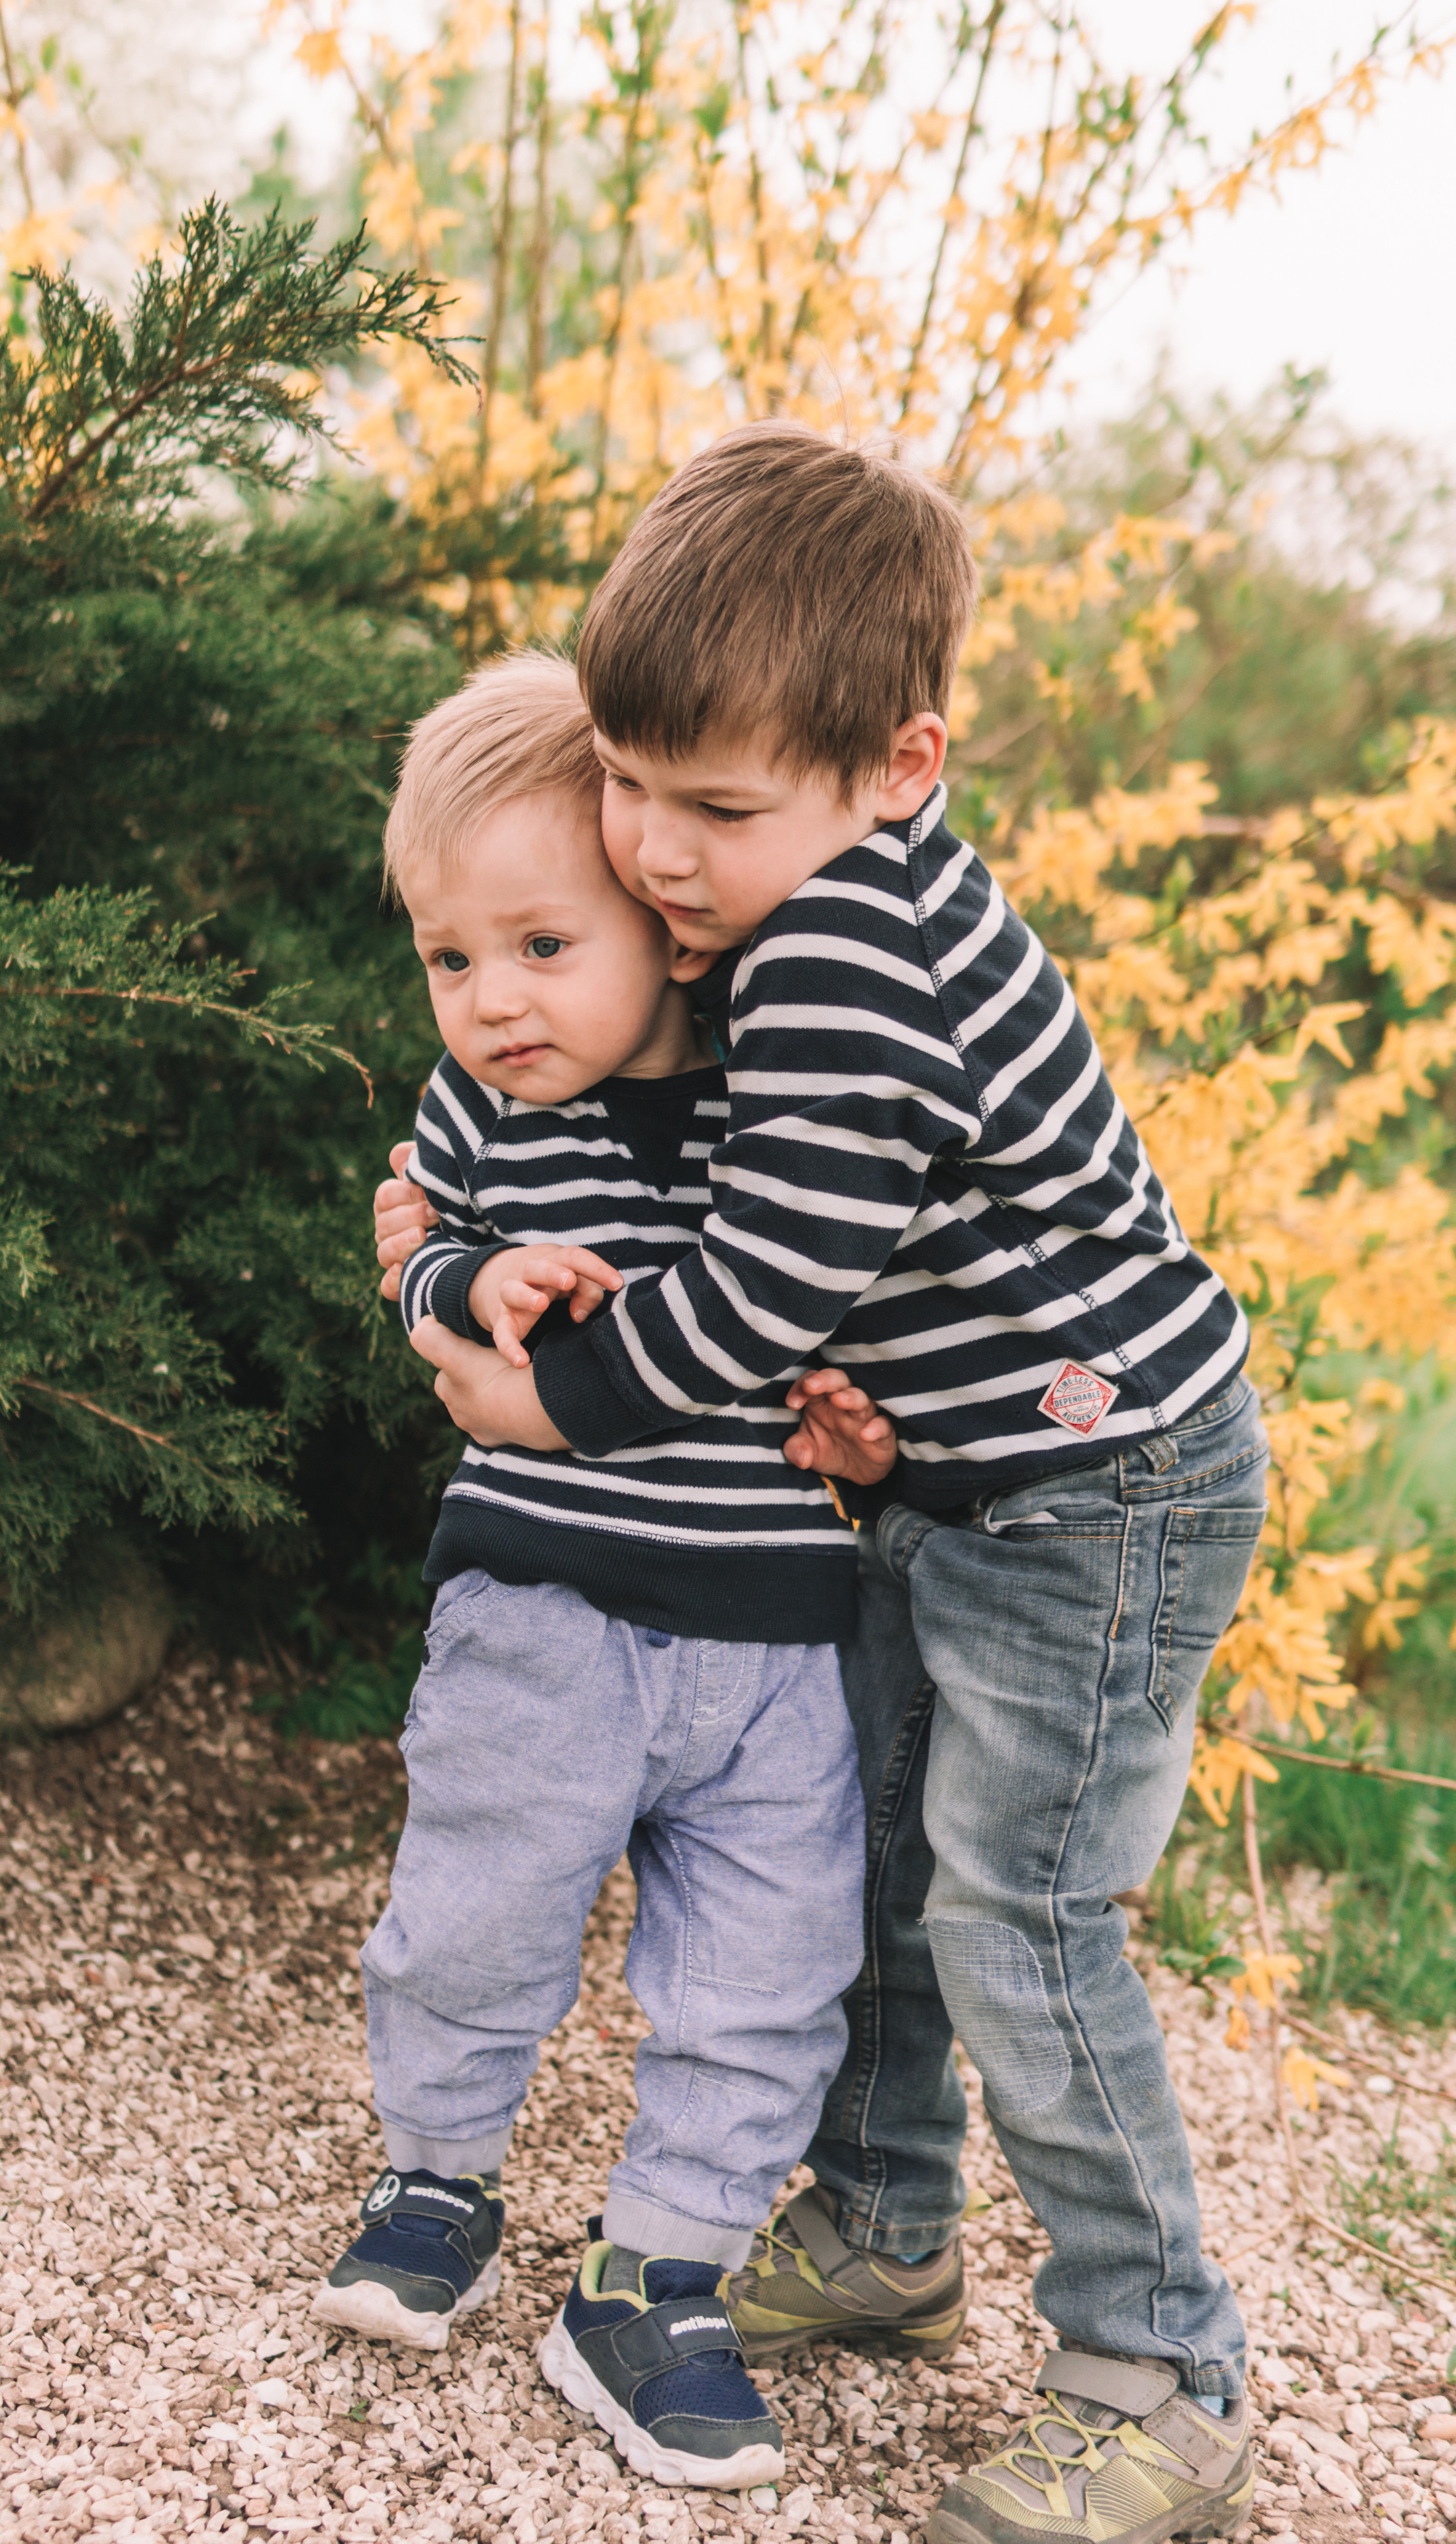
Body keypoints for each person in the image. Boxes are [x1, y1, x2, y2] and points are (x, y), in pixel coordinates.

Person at [376, 424, 1268, 2544]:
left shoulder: (861, 942)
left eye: (718, 808)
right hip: (974, 1471)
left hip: (1106, 1486)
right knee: (871, 1843)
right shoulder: (802, 906)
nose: (659, 855)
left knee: (1022, 1905)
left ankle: (1165, 2366)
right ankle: (884, 2225)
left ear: (900, 762)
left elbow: (761, 1291)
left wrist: (537, 1406)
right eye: (633, 783)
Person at [318, 649, 898, 2494]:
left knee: (771, 1971)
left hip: (770, 1647)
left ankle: (656, 2274)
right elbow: (428, 1252)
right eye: (451, 959)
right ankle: (437, 2170)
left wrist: (871, 1433)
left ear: (660, 910)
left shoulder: (775, 1095)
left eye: (540, 947)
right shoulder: (488, 1111)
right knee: (479, 1909)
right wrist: (462, 1283)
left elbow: (848, 1305)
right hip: (547, 1619)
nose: (492, 1001)